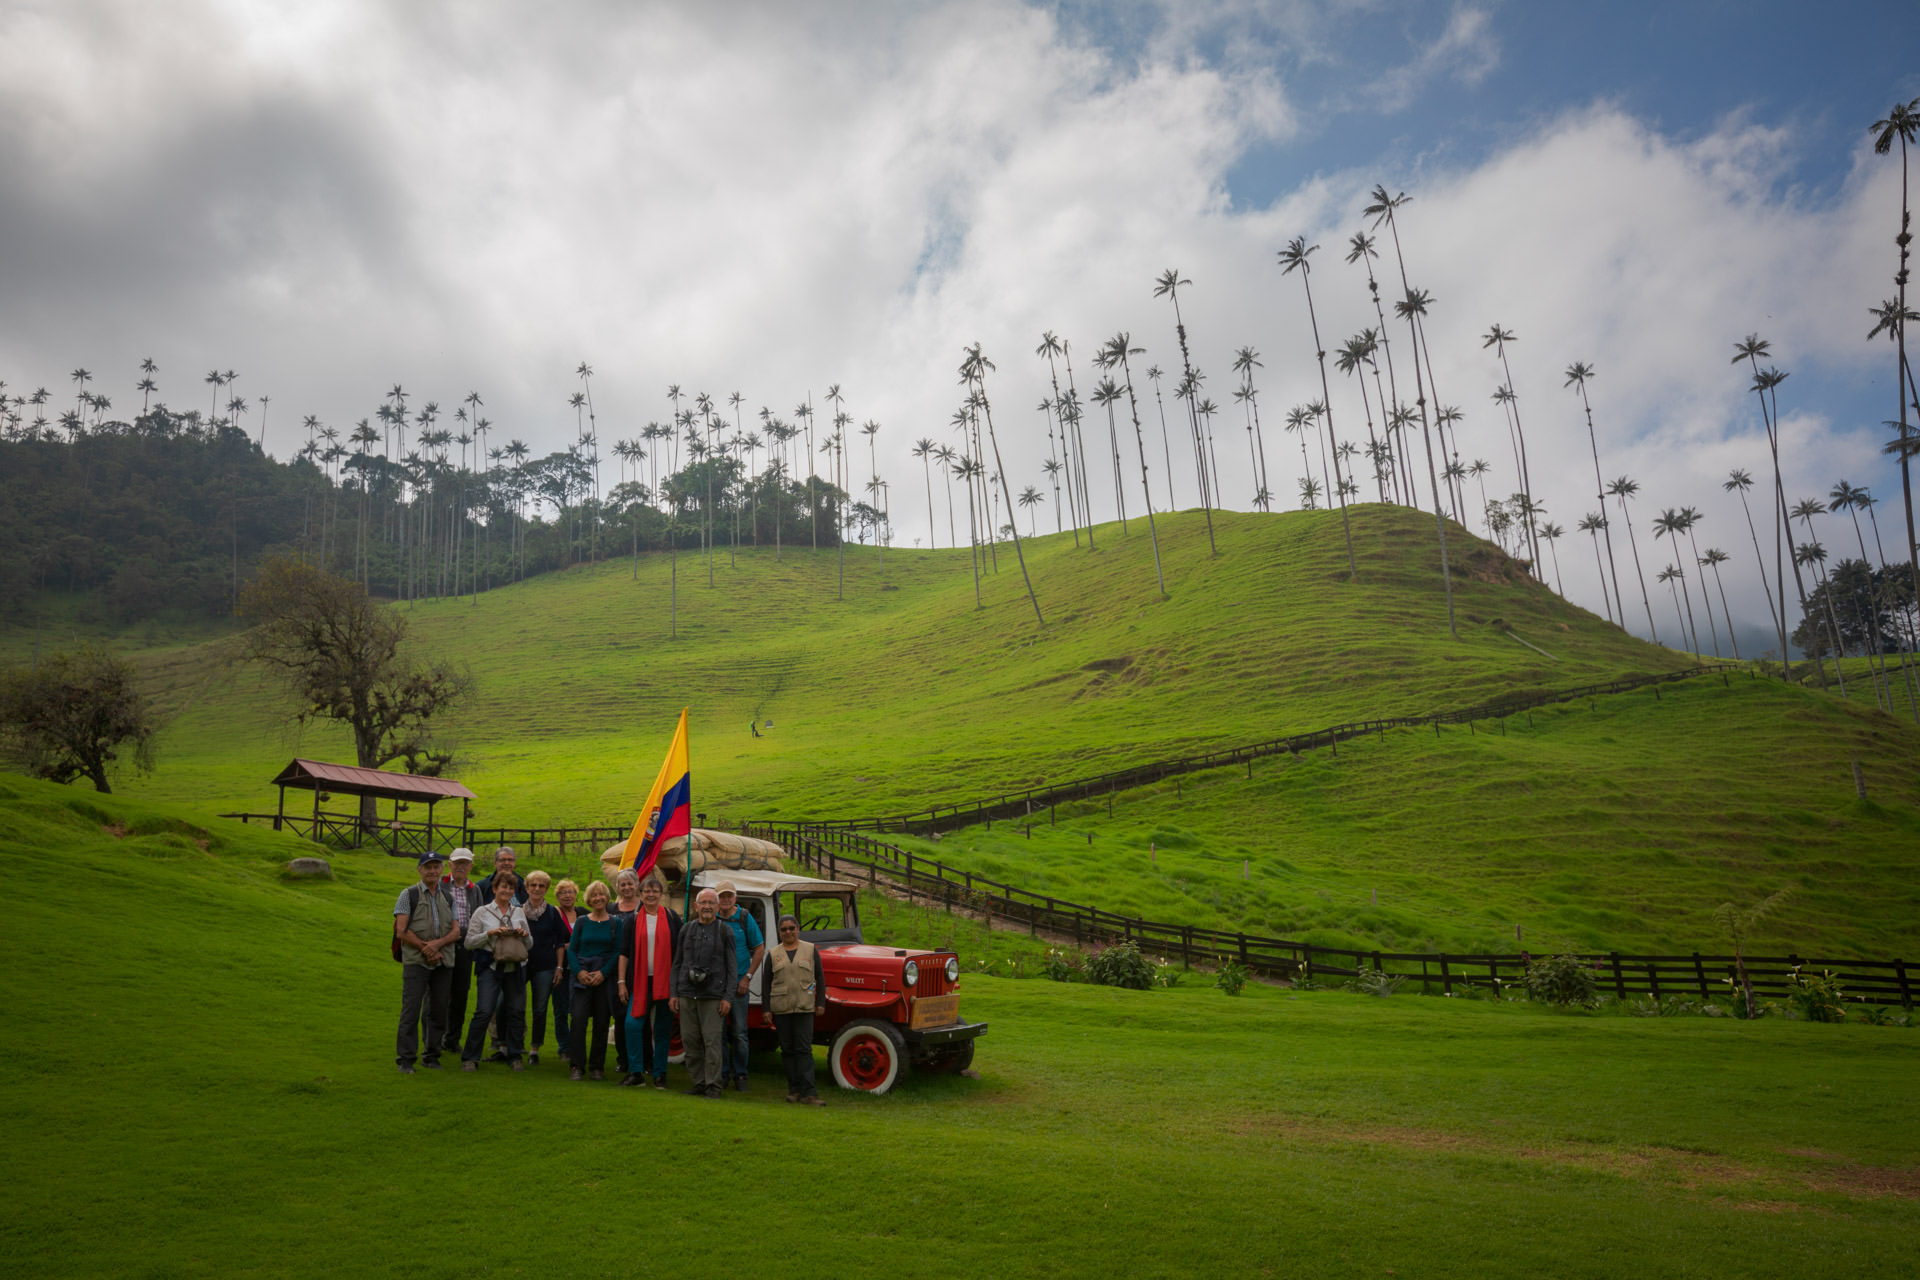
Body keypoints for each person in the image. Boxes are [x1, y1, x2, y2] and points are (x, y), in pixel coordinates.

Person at [394, 852, 460, 1074]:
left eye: (436, 866)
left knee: (438, 1010)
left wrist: (437, 945)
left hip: (442, 961)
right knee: (411, 1010)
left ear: (442, 869)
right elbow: (401, 931)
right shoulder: (408, 895)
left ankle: (431, 1055)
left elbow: (456, 930)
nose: (432, 871)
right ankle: (405, 1059)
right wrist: (426, 948)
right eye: (427, 867)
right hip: (416, 961)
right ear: (419, 870)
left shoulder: (448, 897)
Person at [671, 888, 736, 1099]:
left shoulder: (725, 931)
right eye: (703, 902)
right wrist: (674, 993)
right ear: (696, 906)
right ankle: (698, 1082)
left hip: (713, 996)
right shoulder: (686, 930)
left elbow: (732, 968)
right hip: (687, 994)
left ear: (717, 907)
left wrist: (727, 997)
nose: (707, 906)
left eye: (711, 902)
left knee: (712, 1042)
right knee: (690, 1041)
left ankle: (713, 1086)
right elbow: (677, 963)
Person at [461, 872, 530, 1070]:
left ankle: (514, 1055)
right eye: (503, 887)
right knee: (484, 1011)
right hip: (489, 967)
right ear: (494, 889)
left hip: (514, 967)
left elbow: (530, 944)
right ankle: (470, 1058)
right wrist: (489, 933)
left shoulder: (518, 912)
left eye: (511, 888)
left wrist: (524, 935)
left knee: (516, 1011)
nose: (507, 891)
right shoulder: (482, 912)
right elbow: (468, 943)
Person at [616, 878, 681, 1088]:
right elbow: (624, 953)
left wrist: (677, 986)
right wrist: (621, 982)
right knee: (632, 1025)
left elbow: (680, 954)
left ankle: (660, 1074)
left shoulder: (672, 918)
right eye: (646, 891)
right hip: (640, 982)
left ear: (660, 894)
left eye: (654, 891)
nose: (650, 895)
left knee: (662, 1030)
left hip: (665, 983)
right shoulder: (632, 921)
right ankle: (636, 1072)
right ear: (640, 894)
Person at [760, 913, 826, 1105]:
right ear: (779, 932)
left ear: (798, 929)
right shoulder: (773, 954)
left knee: (804, 1050)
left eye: (791, 928)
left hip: (804, 1007)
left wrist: (820, 1002)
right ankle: (794, 1090)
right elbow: (766, 984)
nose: (788, 932)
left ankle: (810, 1093)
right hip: (781, 1009)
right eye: (784, 929)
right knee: (787, 1050)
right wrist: (766, 1009)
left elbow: (820, 978)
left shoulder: (810, 950)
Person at [566, 881, 620, 1081]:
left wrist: (604, 973)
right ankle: (576, 1066)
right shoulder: (581, 921)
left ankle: (597, 1067)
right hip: (582, 978)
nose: (598, 898)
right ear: (589, 899)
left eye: (602, 895)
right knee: (578, 1021)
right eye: (594, 895)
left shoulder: (616, 923)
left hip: (603, 979)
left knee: (601, 1023)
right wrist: (578, 972)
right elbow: (572, 949)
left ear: (607, 897)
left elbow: (617, 952)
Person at [715, 881, 765, 1092]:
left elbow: (759, 948)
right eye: (722, 896)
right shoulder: (712, 918)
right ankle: (723, 1074)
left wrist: (748, 977)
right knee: (718, 1033)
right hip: (716, 986)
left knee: (739, 1033)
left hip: (738, 986)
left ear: (735, 898)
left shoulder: (744, 918)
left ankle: (741, 1075)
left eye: (729, 896)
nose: (725, 900)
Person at [440, 848, 486, 1054]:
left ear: (470, 866)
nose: (460, 866)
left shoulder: (474, 890)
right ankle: (433, 1040)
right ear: (449, 864)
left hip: (465, 948)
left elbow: (478, 918)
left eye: (464, 863)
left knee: (460, 995)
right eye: (457, 862)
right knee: (438, 994)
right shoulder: (440, 885)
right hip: (442, 945)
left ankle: (452, 1039)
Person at [522, 870, 568, 1068]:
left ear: (547, 889)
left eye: (541, 885)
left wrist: (559, 967)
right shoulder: (517, 911)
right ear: (526, 887)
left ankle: (534, 1048)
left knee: (540, 1009)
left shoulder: (552, 913)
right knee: (513, 1006)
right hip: (520, 964)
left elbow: (560, 942)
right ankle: (511, 1045)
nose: (537, 889)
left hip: (546, 966)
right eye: (533, 885)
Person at [607, 868, 642, 1077]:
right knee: (620, 1016)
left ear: (637, 885)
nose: (627, 887)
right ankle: (622, 1059)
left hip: (639, 966)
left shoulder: (645, 907)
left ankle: (643, 1058)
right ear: (618, 887)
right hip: (616, 967)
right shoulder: (611, 908)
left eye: (630, 883)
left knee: (640, 1015)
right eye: (623, 884)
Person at [549, 878, 580, 1063]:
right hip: (559, 967)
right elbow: (552, 943)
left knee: (577, 1010)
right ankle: (564, 1047)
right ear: (557, 896)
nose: (567, 896)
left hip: (579, 969)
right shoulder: (554, 914)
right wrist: (571, 946)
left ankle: (576, 1045)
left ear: (576, 895)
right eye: (563, 893)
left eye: (570, 892)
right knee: (560, 1009)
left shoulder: (583, 914)